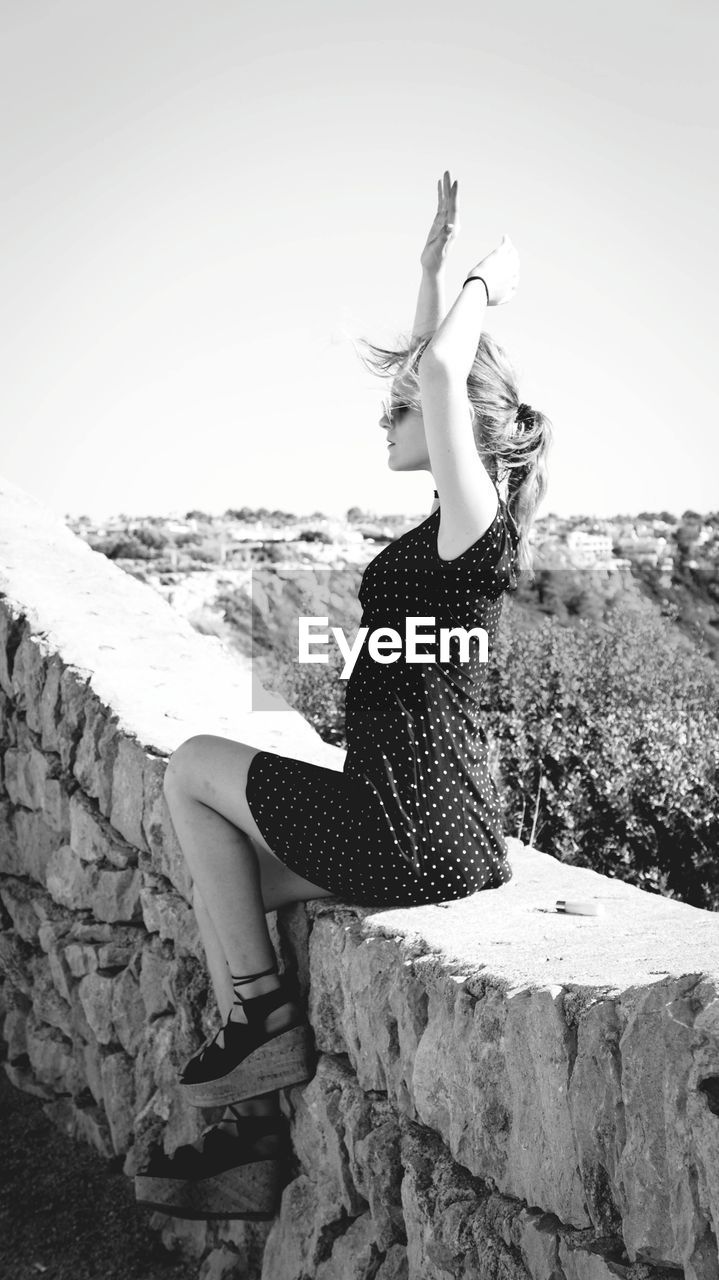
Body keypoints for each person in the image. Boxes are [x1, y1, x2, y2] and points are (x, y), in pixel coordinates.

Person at [134, 170, 552, 1220]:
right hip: (421, 827)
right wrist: (421, 273)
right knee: (220, 868)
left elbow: (446, 371)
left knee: (193, 768)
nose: (387, 416)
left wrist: (478, 283)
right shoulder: (444, 528)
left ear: (463, 426)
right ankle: (252, 1129)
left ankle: (261, 1028)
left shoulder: (475, 522)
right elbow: (433, 372)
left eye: (402, 409)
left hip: (405, 836)